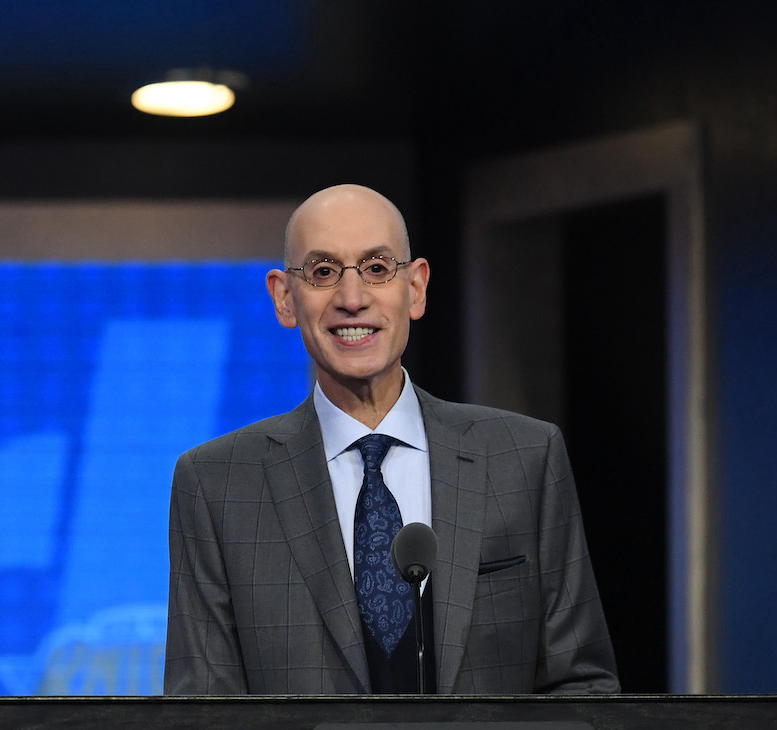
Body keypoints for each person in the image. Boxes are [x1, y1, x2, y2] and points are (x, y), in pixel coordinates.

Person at [164, 184, 620, 695]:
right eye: (322, 272)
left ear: (417, 287)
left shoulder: (525, 458)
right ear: (284, 298)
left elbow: (581, 687)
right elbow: (202, 710)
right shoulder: (218, 484)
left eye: (377, 268)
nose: (352, 299)